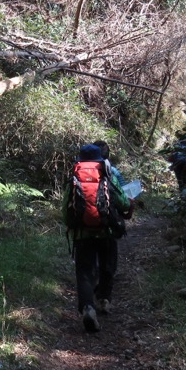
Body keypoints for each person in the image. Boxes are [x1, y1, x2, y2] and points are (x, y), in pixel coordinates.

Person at [63, 143, 132, 333]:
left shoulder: (75, 178)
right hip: (106, 232)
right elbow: (123, 202)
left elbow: (64, 210)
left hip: (82, 234)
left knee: (85, 271)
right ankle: (103, 300)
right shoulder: (107, 176)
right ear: (101, 159)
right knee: (108, 265)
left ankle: (87, 307)